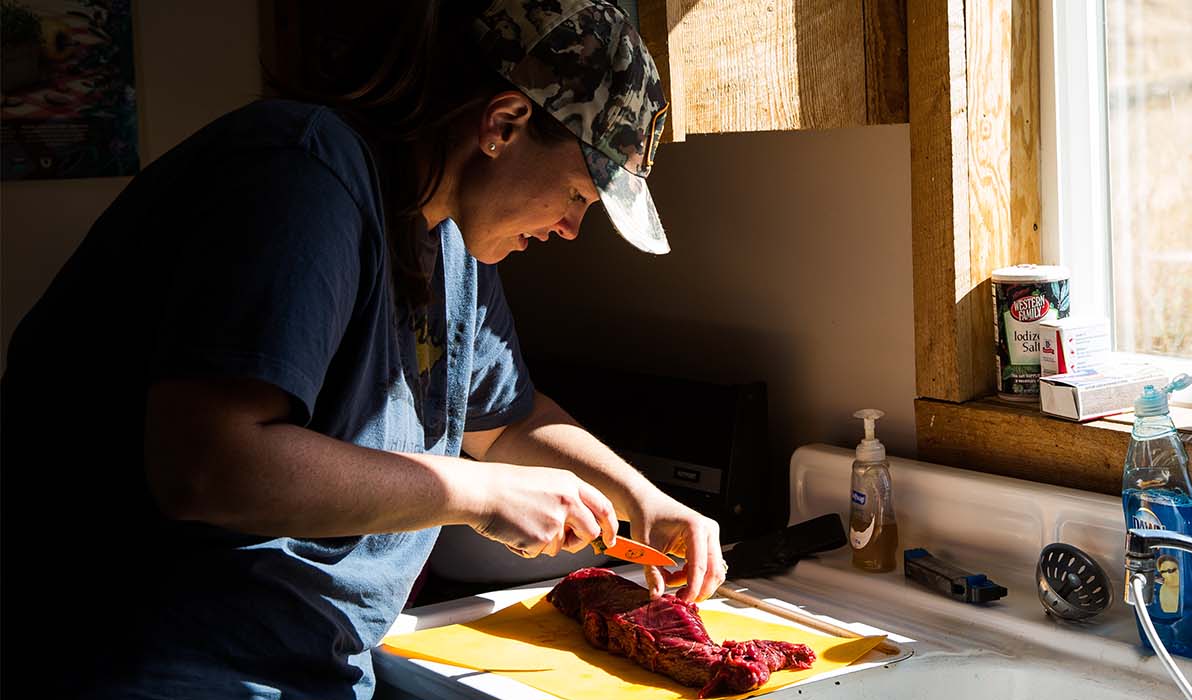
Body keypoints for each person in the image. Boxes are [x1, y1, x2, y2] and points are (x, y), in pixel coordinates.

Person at [0, 1, 721, 697]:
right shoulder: (300, 176)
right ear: (503, 124)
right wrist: (478, 495)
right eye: (577, 194)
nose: (570, 229)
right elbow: (208, 466)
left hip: (312, 658)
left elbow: (505, 420)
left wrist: (645, 500)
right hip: (151, 657)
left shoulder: (451, 236)